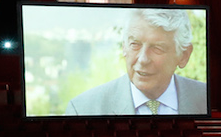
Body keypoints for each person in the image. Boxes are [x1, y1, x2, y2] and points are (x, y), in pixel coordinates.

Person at [64, 10, 206, 114]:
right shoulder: (83, 109)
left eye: (157, 48)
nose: (143, 59)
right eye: (135, 44)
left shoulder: (205, 99)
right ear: (124, 47)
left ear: (184, 55)